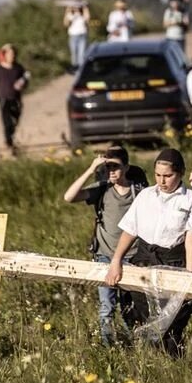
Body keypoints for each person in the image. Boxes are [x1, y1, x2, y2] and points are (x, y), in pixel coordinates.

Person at [104, 149, 192, 357]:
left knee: (173, 321)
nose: (162, 181)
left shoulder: (191, 200)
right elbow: (130, 230)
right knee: (144, 316)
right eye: (158, 175)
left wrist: (189, 273)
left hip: (174, 261)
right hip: (144, 260)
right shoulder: (145, 195)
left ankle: (175, 363)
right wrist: (116, 260)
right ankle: (152, 360)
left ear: (180, 173)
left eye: (167, 176)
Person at [62, 146, 147, 345]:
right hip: (105, 256)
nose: (112, 171)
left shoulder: (140, 192)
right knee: (106, 307)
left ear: (126, 166)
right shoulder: (102, 188)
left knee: (131, 307)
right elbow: (69, 197)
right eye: (107, 167)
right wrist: (91, 169)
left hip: (132, 256)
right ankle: (109, 347)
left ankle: (136, 345)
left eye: (116, 167)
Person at [0, 43, 28, 150]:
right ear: (4, 55)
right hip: (4, 99)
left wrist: (23, 83)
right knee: (7, 123)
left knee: (15, 121)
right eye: (9, 54)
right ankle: (9, 143)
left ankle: (11, 138)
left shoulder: (19, 68)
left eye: (13, 54)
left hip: (16, 99)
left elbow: (25, 80)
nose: (12, 56)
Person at [63, 2, 90, 71]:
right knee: (74, 52)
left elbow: (87, 19)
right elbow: (65, 23)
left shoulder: (82, 15)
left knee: (82, 52)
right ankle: (74, 66)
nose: (76, 8)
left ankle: (81, 68)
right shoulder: (70, 15)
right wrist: (67, 10)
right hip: (73, 35)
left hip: (82, 35)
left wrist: (85, 7)